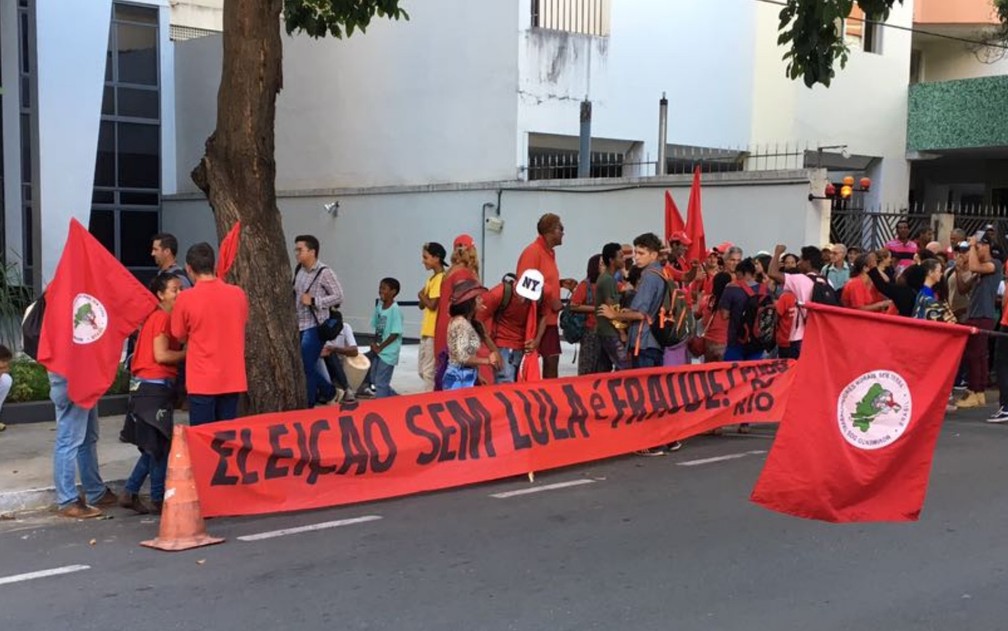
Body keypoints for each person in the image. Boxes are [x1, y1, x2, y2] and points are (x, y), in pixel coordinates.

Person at [598, 233, 684, 455]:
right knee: (655, 392)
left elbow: (640, 313)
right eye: (635, 252)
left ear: (653, 254)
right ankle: (669, 437)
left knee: (644, 394)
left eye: (641, 253)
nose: (636, 257)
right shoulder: (663, 275)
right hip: (656, 340)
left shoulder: (649, 277)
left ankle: (652, 442)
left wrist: (612, 314)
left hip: (643, 341)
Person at [119, 272, 185, 515]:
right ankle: (156, 496)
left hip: (147, 388)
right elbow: (162, 355)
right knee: (159, 445)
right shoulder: (162, 319)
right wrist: (189, 352)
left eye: (180, 289)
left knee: (154, 444)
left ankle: (132, 491)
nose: (179, 294)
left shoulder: (155, 318)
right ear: (160, 294)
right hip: (153, 387)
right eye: (174, 290)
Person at [170, 242, 248, 425]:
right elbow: (242, 322)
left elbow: (178, 334)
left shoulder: (186, 298)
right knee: (227, 437)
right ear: (213, 265)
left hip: (202, 378)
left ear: (189, 269)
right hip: (232, 376)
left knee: (202, 438)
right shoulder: (237, 294)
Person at [516, 213, 577, 379]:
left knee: (552, 362)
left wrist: (560, 283)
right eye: (560, 228)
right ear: (550, 231)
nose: (563, 232)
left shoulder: (548, 253)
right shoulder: (533, 252)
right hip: (534, 319)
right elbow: (525, 283)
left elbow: (542, 281)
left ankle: (550, 398)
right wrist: (552, 296)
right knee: (537, 363)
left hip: (548, 318)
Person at [293, 235, 344, 407]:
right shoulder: (299, 269)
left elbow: (339, 296)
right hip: (298, 324)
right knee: (303, 365)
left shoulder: (324, 273)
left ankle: (309, 404)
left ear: (312, 252)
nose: (297, 253)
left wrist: (315, 301)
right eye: (296, 249)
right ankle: (330, 392)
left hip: (315, 326)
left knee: (306, 366)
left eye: (300, 250)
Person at [956, 234, 1002, 409]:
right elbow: (963, 288)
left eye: (979, 247)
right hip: (974, 314)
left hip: (983, 315)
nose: (975, 250)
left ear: (987, 247)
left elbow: (974, 266)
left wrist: (973, 246)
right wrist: (959, 269)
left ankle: (976, 390)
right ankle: (977, 390)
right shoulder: (980, 270)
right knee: (976, 355)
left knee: (976, 355)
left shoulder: (994, 264)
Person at [479, 270, 546, 384]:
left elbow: (544, 315)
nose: (524, 299)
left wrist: (537, 340)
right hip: (503, 345)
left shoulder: (540, 295)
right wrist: (493, 349)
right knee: (505, 385)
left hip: (524, 348)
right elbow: (478, 318)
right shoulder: (500, 292)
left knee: (522, 387)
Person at [444, 279, 502, 390]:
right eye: (478, 298)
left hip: (467, 377)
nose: (482, 300)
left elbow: (469, 353)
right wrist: (487, 361)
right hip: (457, 379)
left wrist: (477, 375)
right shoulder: (460, 323)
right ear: (470, 302)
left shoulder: (469, 322)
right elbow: (462, 357)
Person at [434, 234, 480, 371]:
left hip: (443, 325)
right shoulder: (464, 274)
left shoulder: (450, 272)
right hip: (456, 326)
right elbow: (465, 302)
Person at [363, 278, 403, 398]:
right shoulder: (380, 307)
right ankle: (396, 399)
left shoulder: (395, 310)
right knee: (374, 379)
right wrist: (374, 343)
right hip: (378, 350)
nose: (381, 291)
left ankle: (382, 407)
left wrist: (381, 347)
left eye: (384, 288)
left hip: (388, 352)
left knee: (381, 383)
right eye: (380, 288)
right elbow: (377, 328)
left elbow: (395, 333)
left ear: (393, 292)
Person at [720, 258, 766, 362]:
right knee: (754, 375)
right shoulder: (765, 290)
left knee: (733, 375)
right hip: (758, 342)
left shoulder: (731, 289)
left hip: (736, 340)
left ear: (741, 273)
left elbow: (724, 315)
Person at [596, 242, 630, 372]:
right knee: (624, 365)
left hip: (606, 330)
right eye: (620, 256)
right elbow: (611, 309)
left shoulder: (608, 279)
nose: (624, 259)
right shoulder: (608, 280)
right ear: (611, 260)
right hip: (610, 332)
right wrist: (621, 332)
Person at [417, 242, 446, 391]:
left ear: (436, 258)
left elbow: (432, 304)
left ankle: (428, 399)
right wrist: (423, 296)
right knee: (422, 370)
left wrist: (422, 295)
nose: (423, 261)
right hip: (426, 331)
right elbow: (422, 304)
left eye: (426, 257)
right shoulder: (431, 280)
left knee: (428, 372)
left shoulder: (441, 278)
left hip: (433, 331)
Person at [569, 254, 603, 375]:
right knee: (588, 366)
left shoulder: (610, 282)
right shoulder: (585, 285)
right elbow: (574, 305)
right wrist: (595, 309)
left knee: (602, 367)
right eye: (601, 264)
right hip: (591, 330)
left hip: (605, 331)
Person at [318, 320, 361, 403]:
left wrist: (335, 349)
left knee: (332, 354)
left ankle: (346, 387)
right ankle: (343, 388)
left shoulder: (345, 328)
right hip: (325, 363)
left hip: (341, 362)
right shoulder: (321, 329)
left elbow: (354, 351)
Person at [701, 272, 732, 362]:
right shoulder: (731, 302)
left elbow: (700, 319)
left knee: (709, 373)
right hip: (724, 343)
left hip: (708, 343)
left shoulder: (707, 299)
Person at [0, 345, 11, 432]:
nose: (4, 371)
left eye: (6, 368)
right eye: (1, 368)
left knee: (6, 380)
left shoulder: (4, 380)